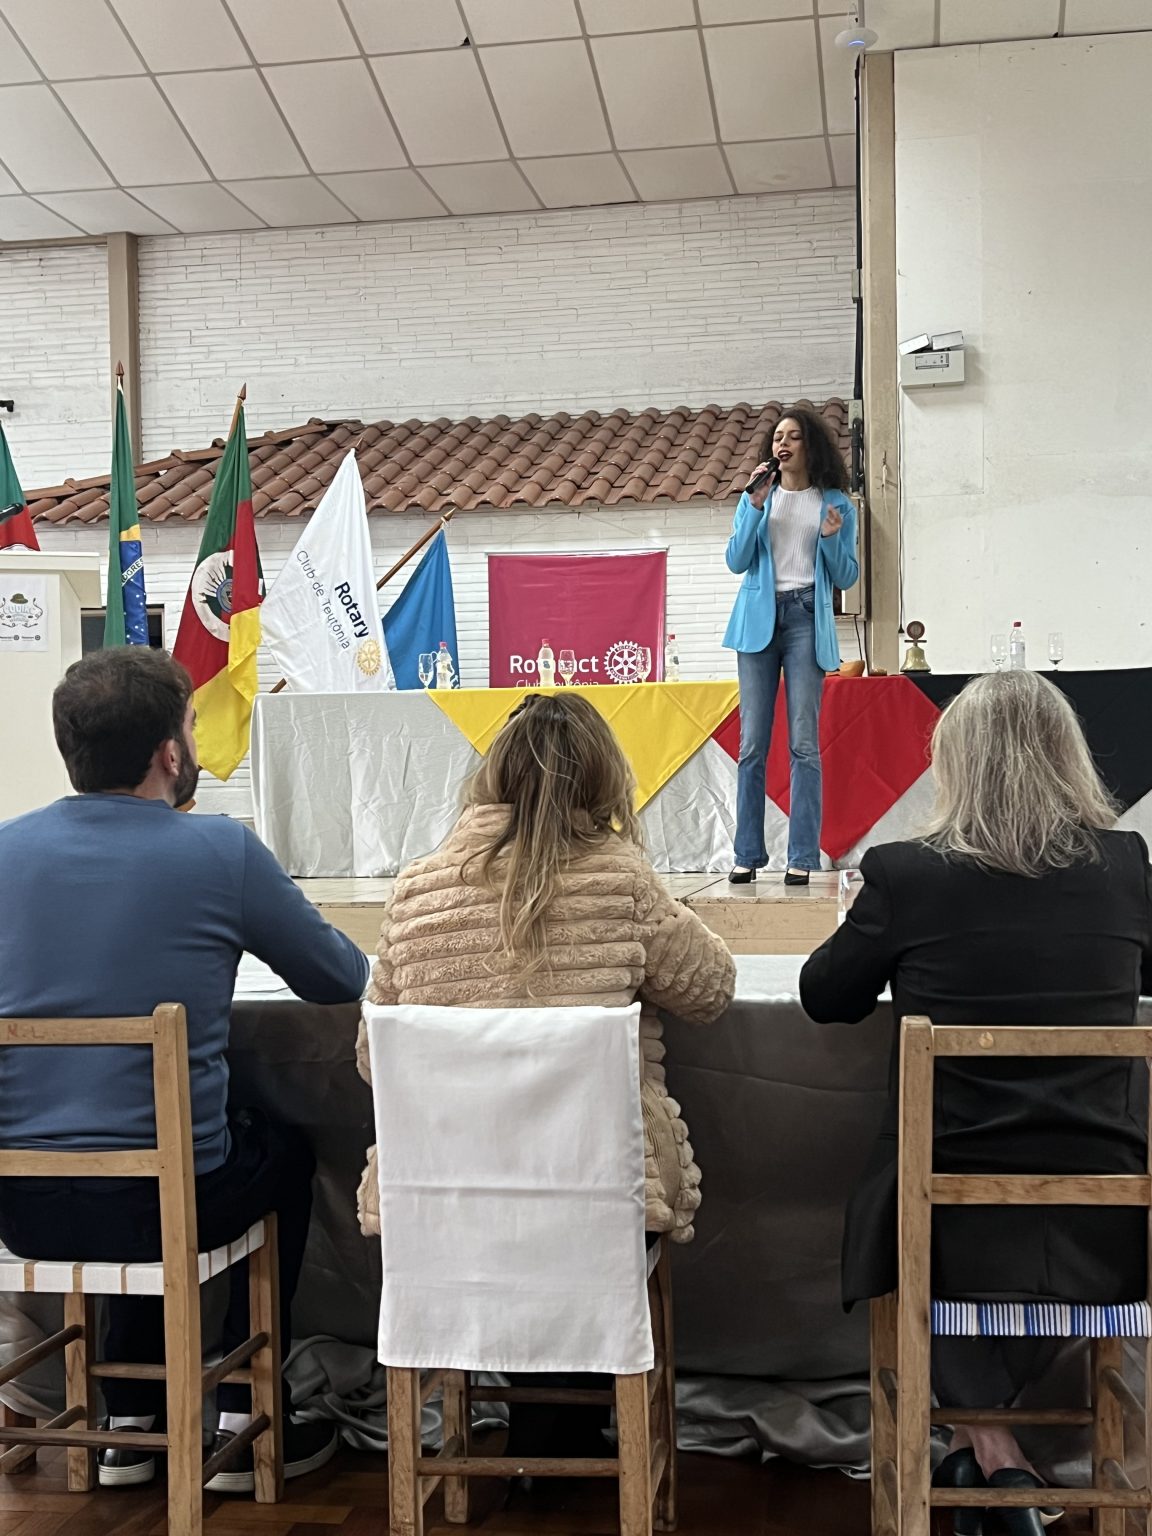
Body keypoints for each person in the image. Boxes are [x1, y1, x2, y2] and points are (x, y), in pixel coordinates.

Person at [0, 647, 370, 1494]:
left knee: (139, 1158)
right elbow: (339, 978)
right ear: (171, 752)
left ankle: (130, 1421)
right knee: (273, 1153)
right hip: (165, 1207)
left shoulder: (4, 850)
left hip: (21, 1206)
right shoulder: (220, 851)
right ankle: (246, 1411)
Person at [800, 670, 1152, 1535]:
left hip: (945, 1225)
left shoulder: (906, 875)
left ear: (954, 764)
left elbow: (824, 997)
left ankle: (988, 1454)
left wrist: (869, 928)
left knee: (909, 1197)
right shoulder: (1125, 868)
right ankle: (994, 1456)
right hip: (1104, 1220)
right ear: (1069, 760)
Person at [354, 691, 735, 1454]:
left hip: (450, 1204)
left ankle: (522, 1439)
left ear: (491, 776)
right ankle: (576, 1435)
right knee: (586, 1198)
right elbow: (712, 989)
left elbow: (374, 1059)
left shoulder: (417, 891)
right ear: (603, 780)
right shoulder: (622, 880)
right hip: (595, 1201)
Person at [723, 406, 858, 886]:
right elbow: (736, 560)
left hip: (805, 617)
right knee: (752, 745)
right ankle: (746, 854)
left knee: (803, 744)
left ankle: (801, 855)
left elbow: (846, 576)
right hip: (758, 621)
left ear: (810, 445)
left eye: (793, 436)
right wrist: (753, 506)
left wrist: (831, 540)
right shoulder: (759, 496)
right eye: (778, 437)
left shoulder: (835, 503)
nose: (783, 444)